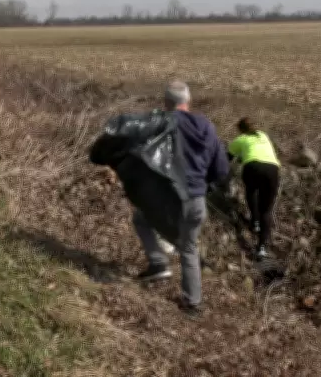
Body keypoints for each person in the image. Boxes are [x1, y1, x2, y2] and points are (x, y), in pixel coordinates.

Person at [89, 81, 230, 314]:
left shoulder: (165, 121)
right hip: (197, 200)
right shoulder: (207, 126)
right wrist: (206, 183)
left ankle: (188, 297)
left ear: (167, 103)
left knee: (185, 247)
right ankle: (163, 270)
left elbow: (129, 132)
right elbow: (221, 169)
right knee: (148, 222)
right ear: (189, 101)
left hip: (173, 197)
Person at [227, 117, 281, 259]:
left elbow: (227, 157)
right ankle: (261, 247)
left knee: (251, 191)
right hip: (272, 169)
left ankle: (254, 221)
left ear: (240, 129)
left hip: (252, 166)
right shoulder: (263, 135)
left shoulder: (240, 139)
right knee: (266, 210)